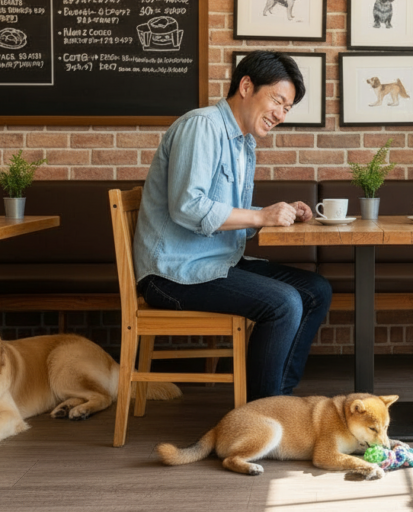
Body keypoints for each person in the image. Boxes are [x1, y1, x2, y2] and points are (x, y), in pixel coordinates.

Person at [134, 50, 331, 402]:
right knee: (284, 302)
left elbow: (223, 210)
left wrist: (275, 212)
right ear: (246, 85)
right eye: (277, 101)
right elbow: (188, 206)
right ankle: (260, 412)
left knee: (316, 290)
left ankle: (278, 401)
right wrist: (260, 217)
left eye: (287, 108)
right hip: (173, 274)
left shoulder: (242, 143)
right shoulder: (203, 126)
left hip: (214, 262)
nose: (281, 115)